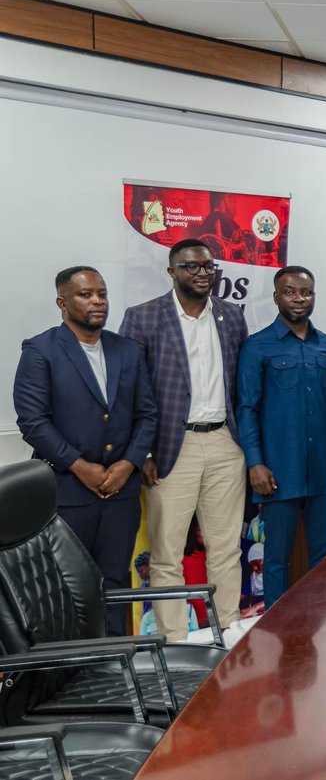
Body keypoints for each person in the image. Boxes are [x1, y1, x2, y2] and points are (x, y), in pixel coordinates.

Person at [14, 266, 157, 636]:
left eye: (102, 294)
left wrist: (128, 464)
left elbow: (147, 414)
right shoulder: (41, 350)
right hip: (68, 492)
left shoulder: (127, 350)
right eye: (85, 294)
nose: (97, 301)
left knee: (115, 583)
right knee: (67, 589)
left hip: (120, 492)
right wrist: (79, 466)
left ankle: (116, 662)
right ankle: (75, 667)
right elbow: (33, 421)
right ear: (62, 302)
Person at [120, 239, 248, 642]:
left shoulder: (231, 316)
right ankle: (174, 640)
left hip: (225, 443)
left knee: (226, 547)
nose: (202, 273)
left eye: (208, 266)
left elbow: (240, 384)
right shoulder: (143, 317)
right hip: (171, 447)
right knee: (167, 553)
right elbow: (129, 389)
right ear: (172, 271)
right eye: (191, 266)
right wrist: (143, 451)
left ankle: (228, 629)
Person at [236, 266, 326, 609]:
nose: (299, 299)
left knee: (324, 554)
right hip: (278, 470)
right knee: (277, 556)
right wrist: (255, 463)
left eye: (306, 292)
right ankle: (276, 625)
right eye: (290, 292)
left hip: (324, 469)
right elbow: (247, 409)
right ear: (276, 297)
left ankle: (319, 621)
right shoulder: (257, 347)